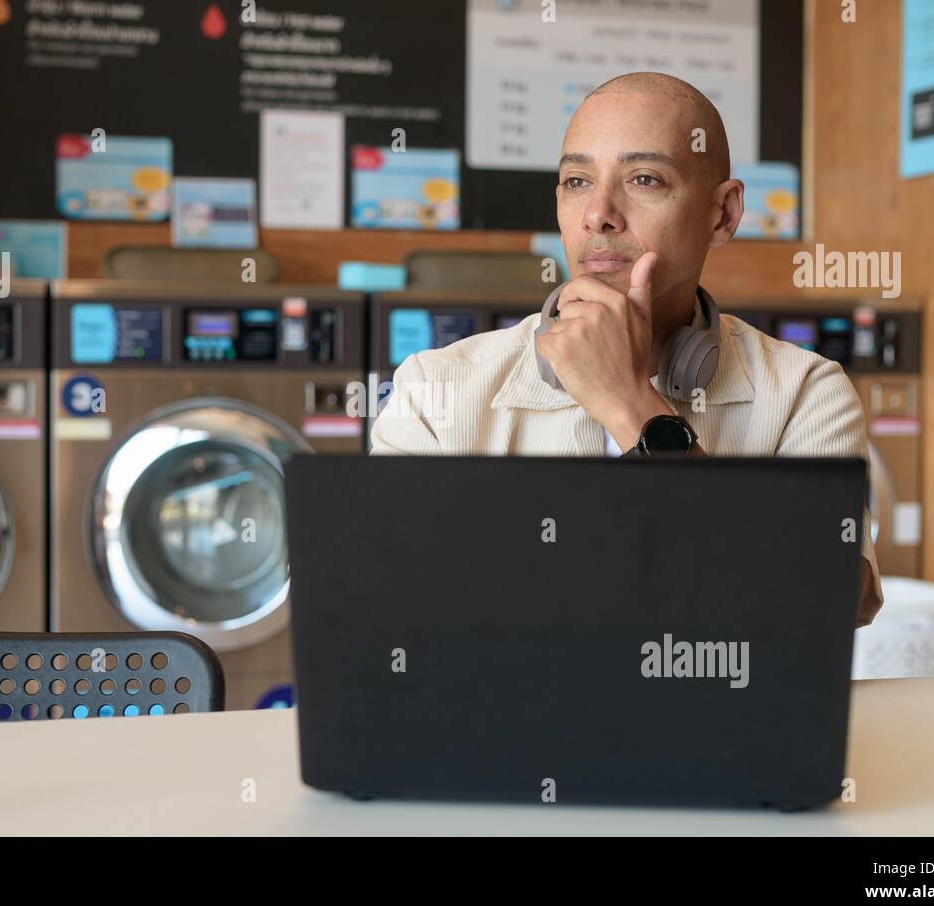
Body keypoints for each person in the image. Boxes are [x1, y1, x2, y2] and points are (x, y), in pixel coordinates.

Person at [371, 72, 883, 626]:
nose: (598, 214)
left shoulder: (806, 391)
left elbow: (822, 607)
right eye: (576, 181)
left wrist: (631, 406)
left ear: (723, 214)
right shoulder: (434, 389)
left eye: (644, 179)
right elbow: (385, 610)